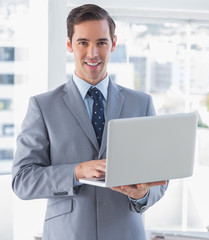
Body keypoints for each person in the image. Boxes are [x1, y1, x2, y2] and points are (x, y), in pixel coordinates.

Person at [12, 4, 168, 240]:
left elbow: (160, 178)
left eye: (101, 43)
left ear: (113, 44)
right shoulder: (42, 107)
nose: (93, 53)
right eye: (83, 42)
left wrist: (142, 194)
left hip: (125, 233)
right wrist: (75, 172)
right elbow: (22, 180)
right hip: (68, 234)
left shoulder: (141, 104)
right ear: (69, 44)